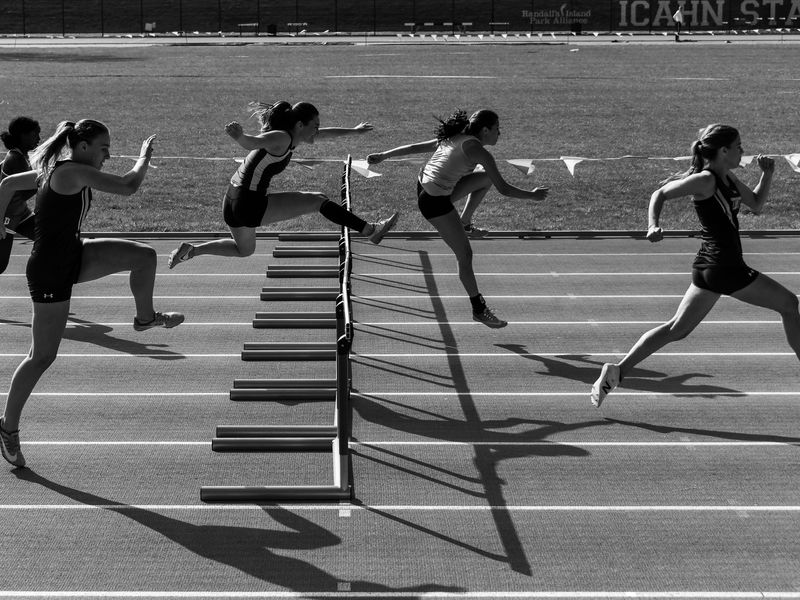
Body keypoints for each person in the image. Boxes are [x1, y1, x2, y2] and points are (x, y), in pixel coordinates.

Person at [0, 119, 184, 468]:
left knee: (144, 257)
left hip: (75, 252)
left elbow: (7, 184)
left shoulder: (57, 169)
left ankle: (145, 319)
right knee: (41, 356)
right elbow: (128, 186)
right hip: (51, 270)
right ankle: (7, 427)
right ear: (83, 147)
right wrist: (144, 157)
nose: (107, 156)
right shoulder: (71, 172)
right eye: (104, 149)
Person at [590, 124, 798, 407]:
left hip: (710, 267)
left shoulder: (728, 178)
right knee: (789, 304)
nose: (743, 151)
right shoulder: (705, 180)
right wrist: (653, 225)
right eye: (738, 146)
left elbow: (756, 204)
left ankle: (618, 370)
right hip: (725, 268)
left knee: (677, 329)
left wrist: (767, 174)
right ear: (723, 151)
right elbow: (659, 194)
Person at [366, 109, 549, 327]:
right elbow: (504, 189)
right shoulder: (480, 152)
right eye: (497, 129)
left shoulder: (456, 137)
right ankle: (479, 309)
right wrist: (533, 196)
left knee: (485, 178)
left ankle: (465, 222)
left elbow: (416, 147)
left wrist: (384, 155)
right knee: (465, 254)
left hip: (426, 187)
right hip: (434, 202)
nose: (500, 133)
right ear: (485, 130)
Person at [167, 101, 399, 268]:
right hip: (248, 202)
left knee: (244, 250)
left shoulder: (293, 136)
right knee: (317, 200)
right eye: (315, 125)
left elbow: (325, 134)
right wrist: (239, 137)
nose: (318, 131)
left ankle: (192, 250)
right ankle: (371, 230)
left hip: (231, 200)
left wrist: (354, 131)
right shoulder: (281, 138)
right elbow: (253, 142)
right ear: (300, 125)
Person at [0, 116, 41, 274]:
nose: (39, 138)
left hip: (20, 212)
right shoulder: (16, 159)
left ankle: (45, 271)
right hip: (6, 216)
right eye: (35, 134)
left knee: (47, 237)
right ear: (23, 136)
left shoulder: (18, 155)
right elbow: (27, 191)